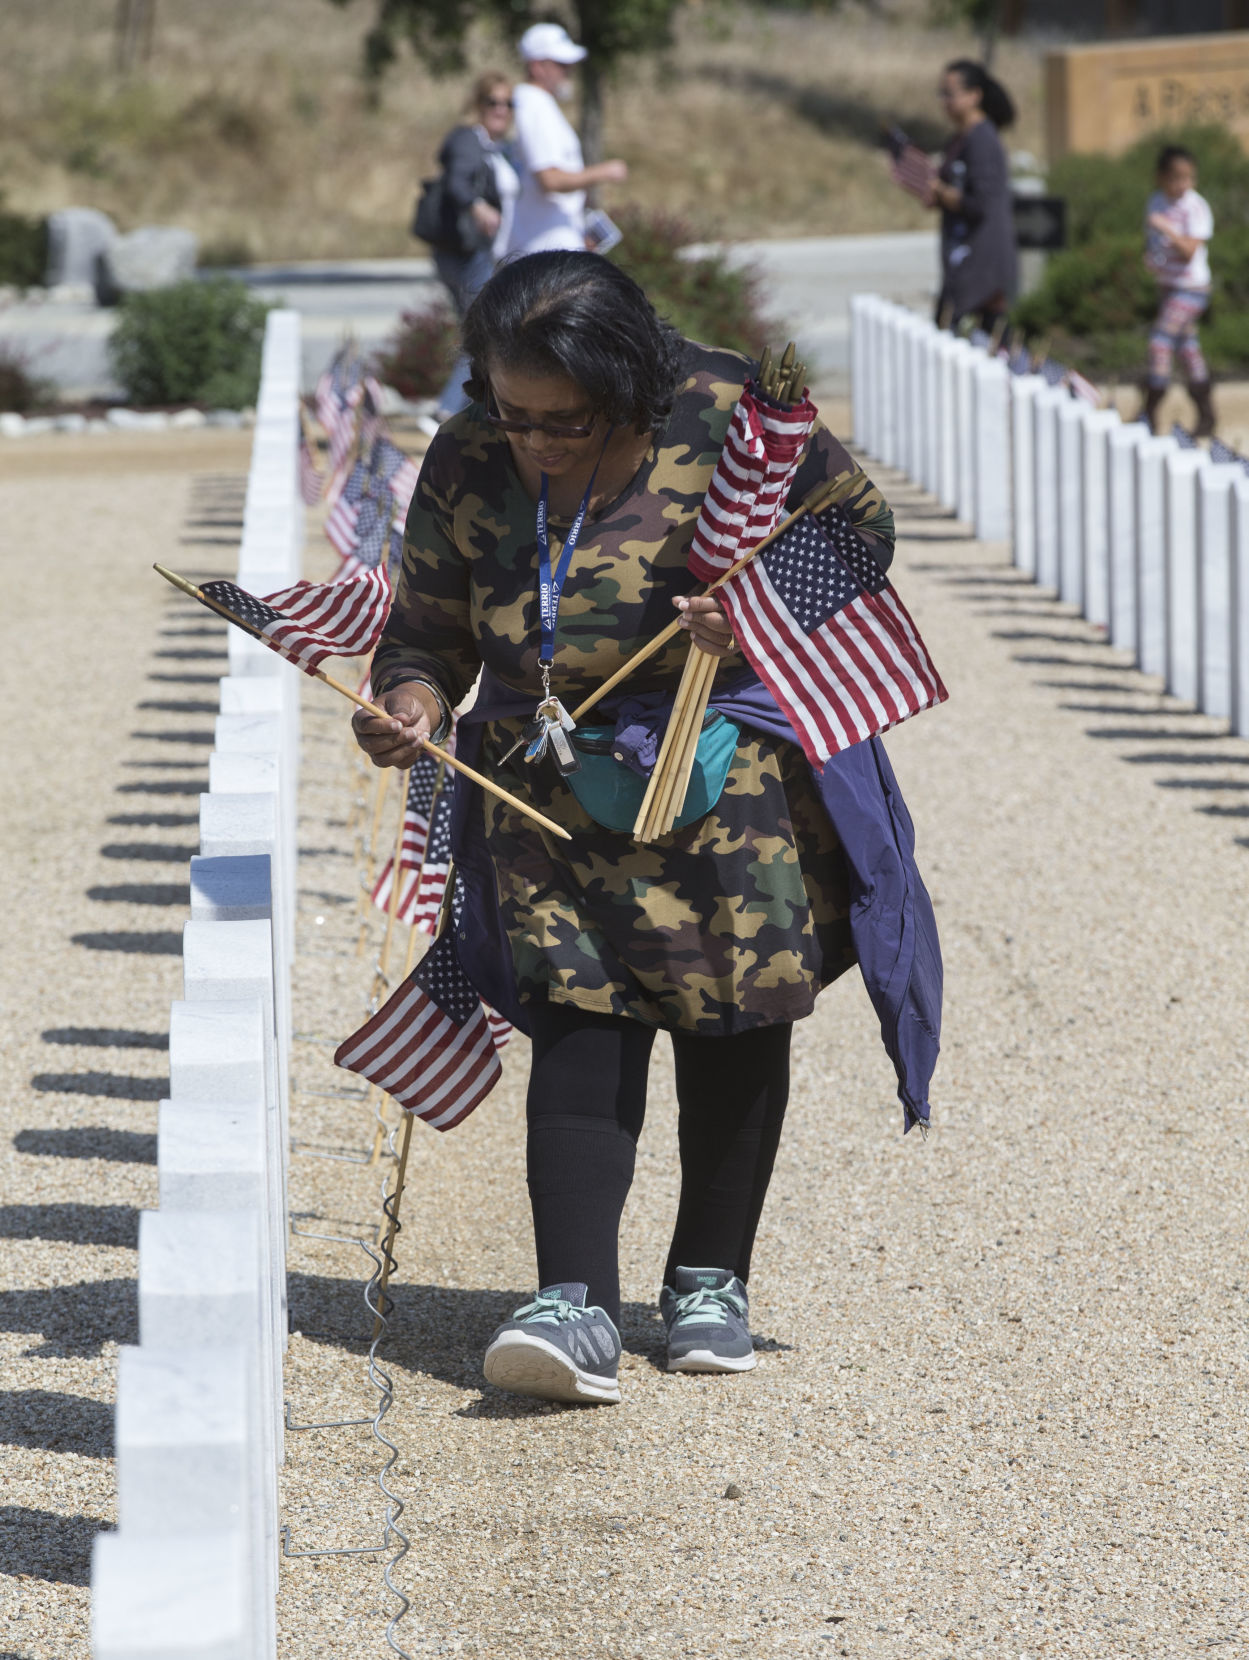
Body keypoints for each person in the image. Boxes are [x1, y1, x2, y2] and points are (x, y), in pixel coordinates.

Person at [352, 253, 941, 1407]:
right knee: (578, 1019)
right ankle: (573, 1305)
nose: (535, 443)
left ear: (630, 387)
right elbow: (424, 627)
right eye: (512, 414)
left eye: (563, 422)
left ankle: (709, 1281)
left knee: (733, 1016)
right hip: (545, 785)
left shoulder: (732, 419)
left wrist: (760, 607)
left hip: (721, 773)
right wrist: (411, 704)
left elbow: (858, 537)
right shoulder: (471, 454)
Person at [424, 71, 521, 429]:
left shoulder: (502, 148)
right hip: (468, 253)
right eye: (493, 102)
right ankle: (448, 411)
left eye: (509, 103)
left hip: (487, 254)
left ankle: (460, 409)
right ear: (478, 104)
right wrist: (477, 206)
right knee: (484, 331)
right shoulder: (468, 139)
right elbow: (457, 181)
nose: (501, 110)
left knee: (478, 330)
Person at [506, 22, 628, 256]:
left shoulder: (537, 103)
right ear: (537, 66)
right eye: (561, 65)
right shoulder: (534, 106)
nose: (568, 71)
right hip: (545, 248)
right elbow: (549, 178)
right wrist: (604, 172)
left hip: (549, 243)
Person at [927, 59, 1017, 334]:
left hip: (981, 263)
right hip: (960, 258)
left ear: (974, 95)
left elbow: (981, 203)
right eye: (941, 93)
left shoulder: (982, 140)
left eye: (949, 94)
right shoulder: (960, 138)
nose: (943, 101)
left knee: (981, 343)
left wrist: (942, 192)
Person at [1142, 144, 1215, 437]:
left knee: (1160, 342)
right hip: (1168, 287)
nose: (1184, 184)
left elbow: (1189, 251)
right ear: (1162, 177)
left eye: (1189, 178)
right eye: (1177, 178)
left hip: (1191, 288)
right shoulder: (1156, 201)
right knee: (1187, 350)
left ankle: (1149, 412)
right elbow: (1154, 245)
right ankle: (1207, 417)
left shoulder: (1196, 207)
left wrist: (1168, 229)